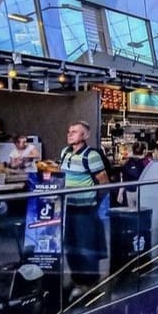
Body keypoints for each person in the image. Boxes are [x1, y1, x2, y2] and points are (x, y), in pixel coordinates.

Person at [59, 121, 110, 286]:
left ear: (85, 135)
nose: (70, 134)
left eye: (74, 132)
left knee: (86, 245)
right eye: (69, 131)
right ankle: (76, 278)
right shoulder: (65, 152)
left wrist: (95, 202)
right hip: (68, 208)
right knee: (71, 244)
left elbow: (104, 182)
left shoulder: (91, 155)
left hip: (85, 208)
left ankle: (90, 281)